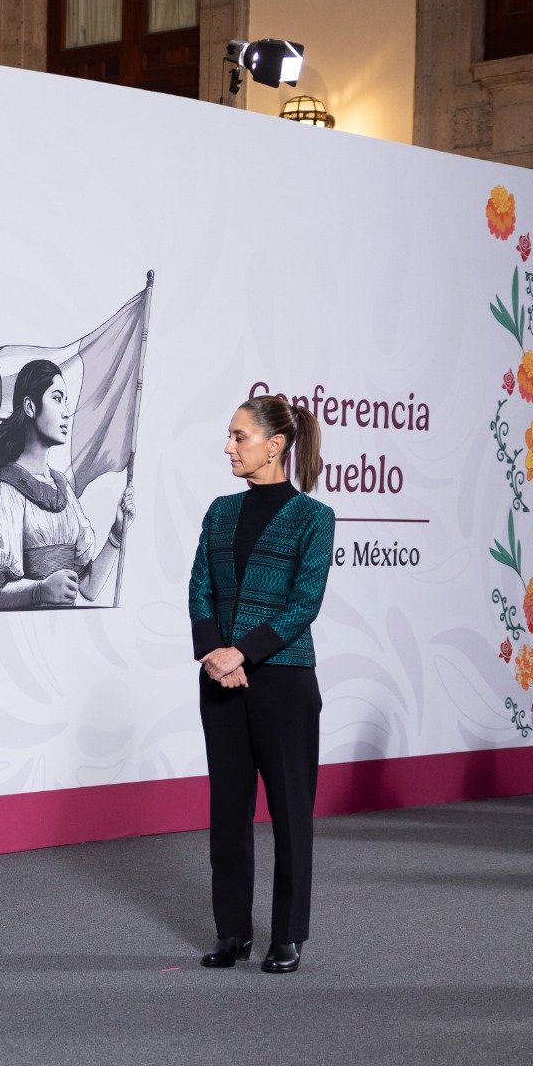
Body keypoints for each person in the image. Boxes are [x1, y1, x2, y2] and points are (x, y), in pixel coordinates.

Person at [190, 393, 334, 974]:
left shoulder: (313, 518)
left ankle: (287, 936)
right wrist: (213, 654)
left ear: (275, 446)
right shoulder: (220, 511)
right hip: (220, 680)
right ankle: (233, 933)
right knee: (227, 811)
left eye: (240, 437)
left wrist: (242, 651)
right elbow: (199, 585)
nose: (229, 447)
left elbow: (305, 603)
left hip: (283, 682)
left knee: (290, 812)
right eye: (229, 436)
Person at [0, 359, 135, 610]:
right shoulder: (5, 490)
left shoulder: (62, 489)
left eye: (66, 401)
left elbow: (88, 588)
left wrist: (117, 533)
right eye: (57, 398)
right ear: (30, 406)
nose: (65, 412)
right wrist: (40, 590)